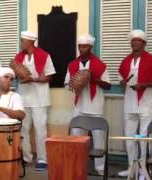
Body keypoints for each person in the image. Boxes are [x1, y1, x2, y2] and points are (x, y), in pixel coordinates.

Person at [118, 30, 152, 178]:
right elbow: (121, 79)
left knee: (144, 137)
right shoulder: (125, 61)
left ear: (144, 43)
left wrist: (144, 85)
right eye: (133, 40)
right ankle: (130, 167)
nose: (135, 43)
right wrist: (122, 82)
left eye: (138, 41)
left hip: (146, 102)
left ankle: (144, 169)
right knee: (130, 136)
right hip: (129, 101)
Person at [65, 34, 111, 175]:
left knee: (98, 135)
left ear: (91, 47)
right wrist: (77, 83)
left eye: (84, 46)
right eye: (79, 46)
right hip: (79, 104)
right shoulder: (72, 64)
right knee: (76, 134)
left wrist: (93, 78)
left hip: (95, 103)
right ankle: (77, 164)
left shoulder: (100, 65)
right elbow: (67, 84)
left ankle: (100, 168)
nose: (81, 49)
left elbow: (108, 86)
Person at [14, 31, 56, 171]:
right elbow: (15, 74)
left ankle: (42, 159)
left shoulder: (44, 55)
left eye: (22, 40)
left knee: (40, 129)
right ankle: (26, 157)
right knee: (24, 129)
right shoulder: (19, 57)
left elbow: (49, 76)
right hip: (24, 97)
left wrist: (33, 79)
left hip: (40, 99)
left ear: (31, 42)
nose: (21, 43)